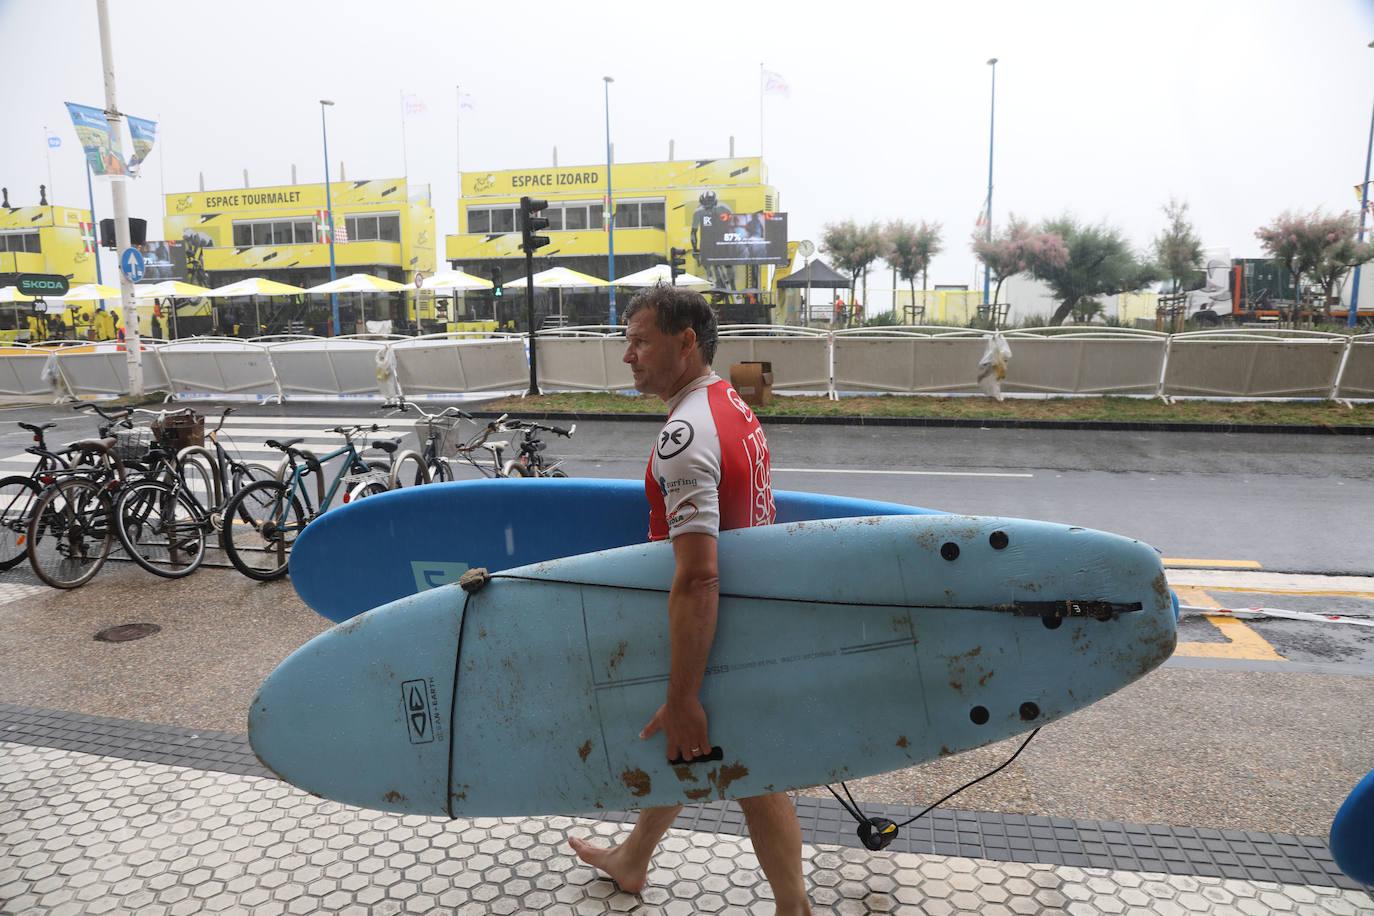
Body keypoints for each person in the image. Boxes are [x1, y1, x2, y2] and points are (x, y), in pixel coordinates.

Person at [568, 284, 811, 915]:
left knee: (747, 770)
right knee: (685, 743)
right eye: (627, 340)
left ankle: (794, 908)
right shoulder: (728, 402)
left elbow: (698, 575)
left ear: (684, 343)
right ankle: (632, 859)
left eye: (640, 340)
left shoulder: (686, 433)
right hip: (745, 611)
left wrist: (683, 692)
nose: (628, 355)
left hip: (719, 623)